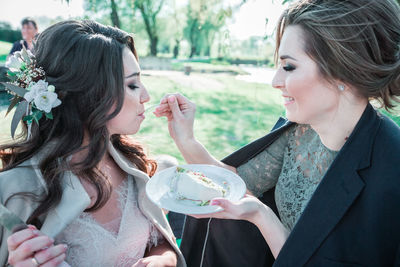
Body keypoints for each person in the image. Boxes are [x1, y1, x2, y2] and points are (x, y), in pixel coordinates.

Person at [154, 0, 400, 266]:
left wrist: (263, 216)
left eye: (289, 67)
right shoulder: (299, 134)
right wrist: (186, 139)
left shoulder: (392, 171)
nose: (274, 81)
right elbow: (235, 184)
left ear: (343, 71)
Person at [0, 20, 185, 267]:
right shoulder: (14, 191)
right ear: (88, 94)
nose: (146, 96)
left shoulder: (136, 165)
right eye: (132, 84)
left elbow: (159, 241)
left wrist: (163, 261)